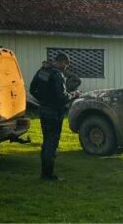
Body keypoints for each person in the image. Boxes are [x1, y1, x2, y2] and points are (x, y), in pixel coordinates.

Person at [30, 53, 79, 181]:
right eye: (66, 65)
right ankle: (48, 175)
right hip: (54, 113)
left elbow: (32, 89)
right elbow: (62, 97)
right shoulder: (57, 75)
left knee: (46, 142)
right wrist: (74, 94)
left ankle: (44, 173)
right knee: (52, 144)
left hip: (43, 110)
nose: (66, 67)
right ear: (62, 62)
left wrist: (43, 100)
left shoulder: (42, 71)